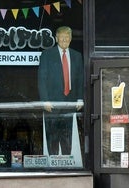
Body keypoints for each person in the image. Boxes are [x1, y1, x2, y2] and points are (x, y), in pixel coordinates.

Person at [38, 26, 84, 155]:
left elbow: (80, 78)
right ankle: (53, 164)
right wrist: (44, 100)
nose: (64, 39)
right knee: (52, 136)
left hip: (70, 103)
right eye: (62, 37)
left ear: (70, 39)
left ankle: (66, 162)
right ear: (56, 38)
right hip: (52, 104)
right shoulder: (47, 55)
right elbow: (42, 79)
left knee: (67, 136)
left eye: (67, 36)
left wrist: (80, 98)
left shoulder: (77, 56)